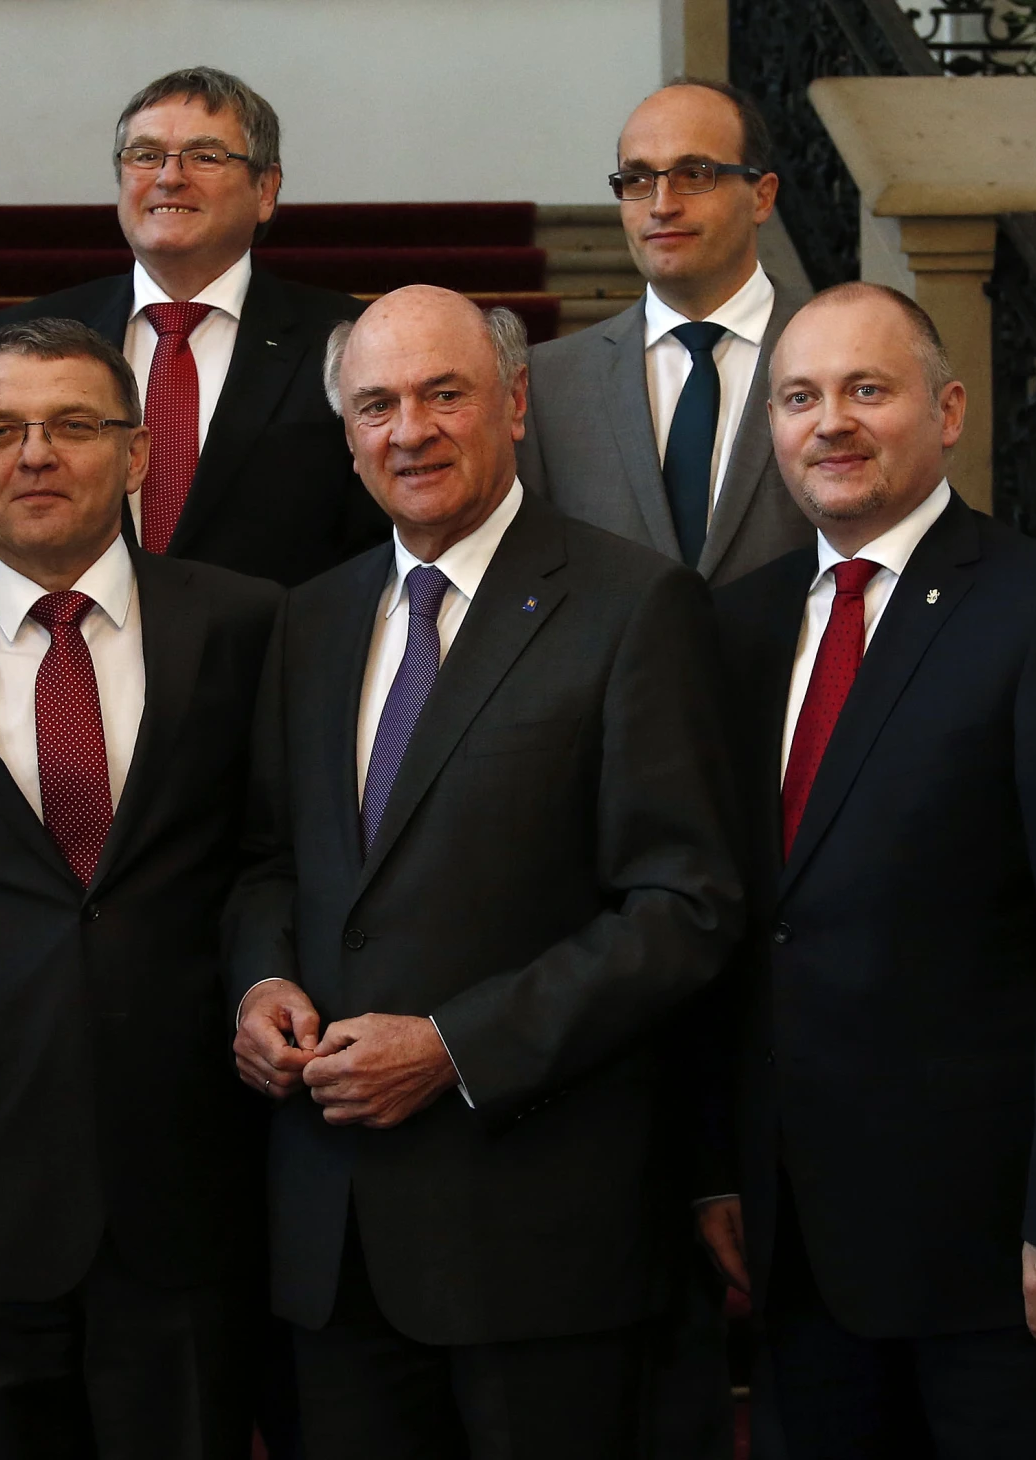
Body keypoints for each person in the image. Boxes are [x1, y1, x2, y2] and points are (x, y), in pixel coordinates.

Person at [224, 285, 743, 1459]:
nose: (410, 429)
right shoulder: (309, 621)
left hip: (535, 1235)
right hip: (336, 1235)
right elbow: (268, 859)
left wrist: (457, 1045)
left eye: (442, 392)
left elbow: (683, 907)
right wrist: (258, 987)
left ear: (513, 403)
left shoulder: (632, 604)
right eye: (376, 404)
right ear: (347, 436)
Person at [696, 282, 1036, 1458]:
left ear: (949, 408)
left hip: (1003, 1262)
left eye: (868, 389)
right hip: (802, 1245)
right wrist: (719, 1164)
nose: (831, 423)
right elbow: (734, 925)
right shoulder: (733, 627)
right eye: (800, 397)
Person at [0, 318, 281, 1459]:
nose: (36, 453)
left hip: (188, 1181)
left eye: (73, 425)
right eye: (3, 430)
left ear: (134, 455)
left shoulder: (247, 628)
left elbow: (275, 861)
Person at [0, 65, 386, 590]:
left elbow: (378, 548)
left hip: (276, 663)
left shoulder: (349, 339)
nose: (169, 177)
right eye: (144, 156)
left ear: (266, 189)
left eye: (205, 156)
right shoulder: (20, 335)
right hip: (67, 660)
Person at [517, 79, 809, 588]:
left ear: (762, 196)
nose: (661, 204)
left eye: (694, 174)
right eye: (636, 180)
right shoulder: (549, 381)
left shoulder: (838, 355)